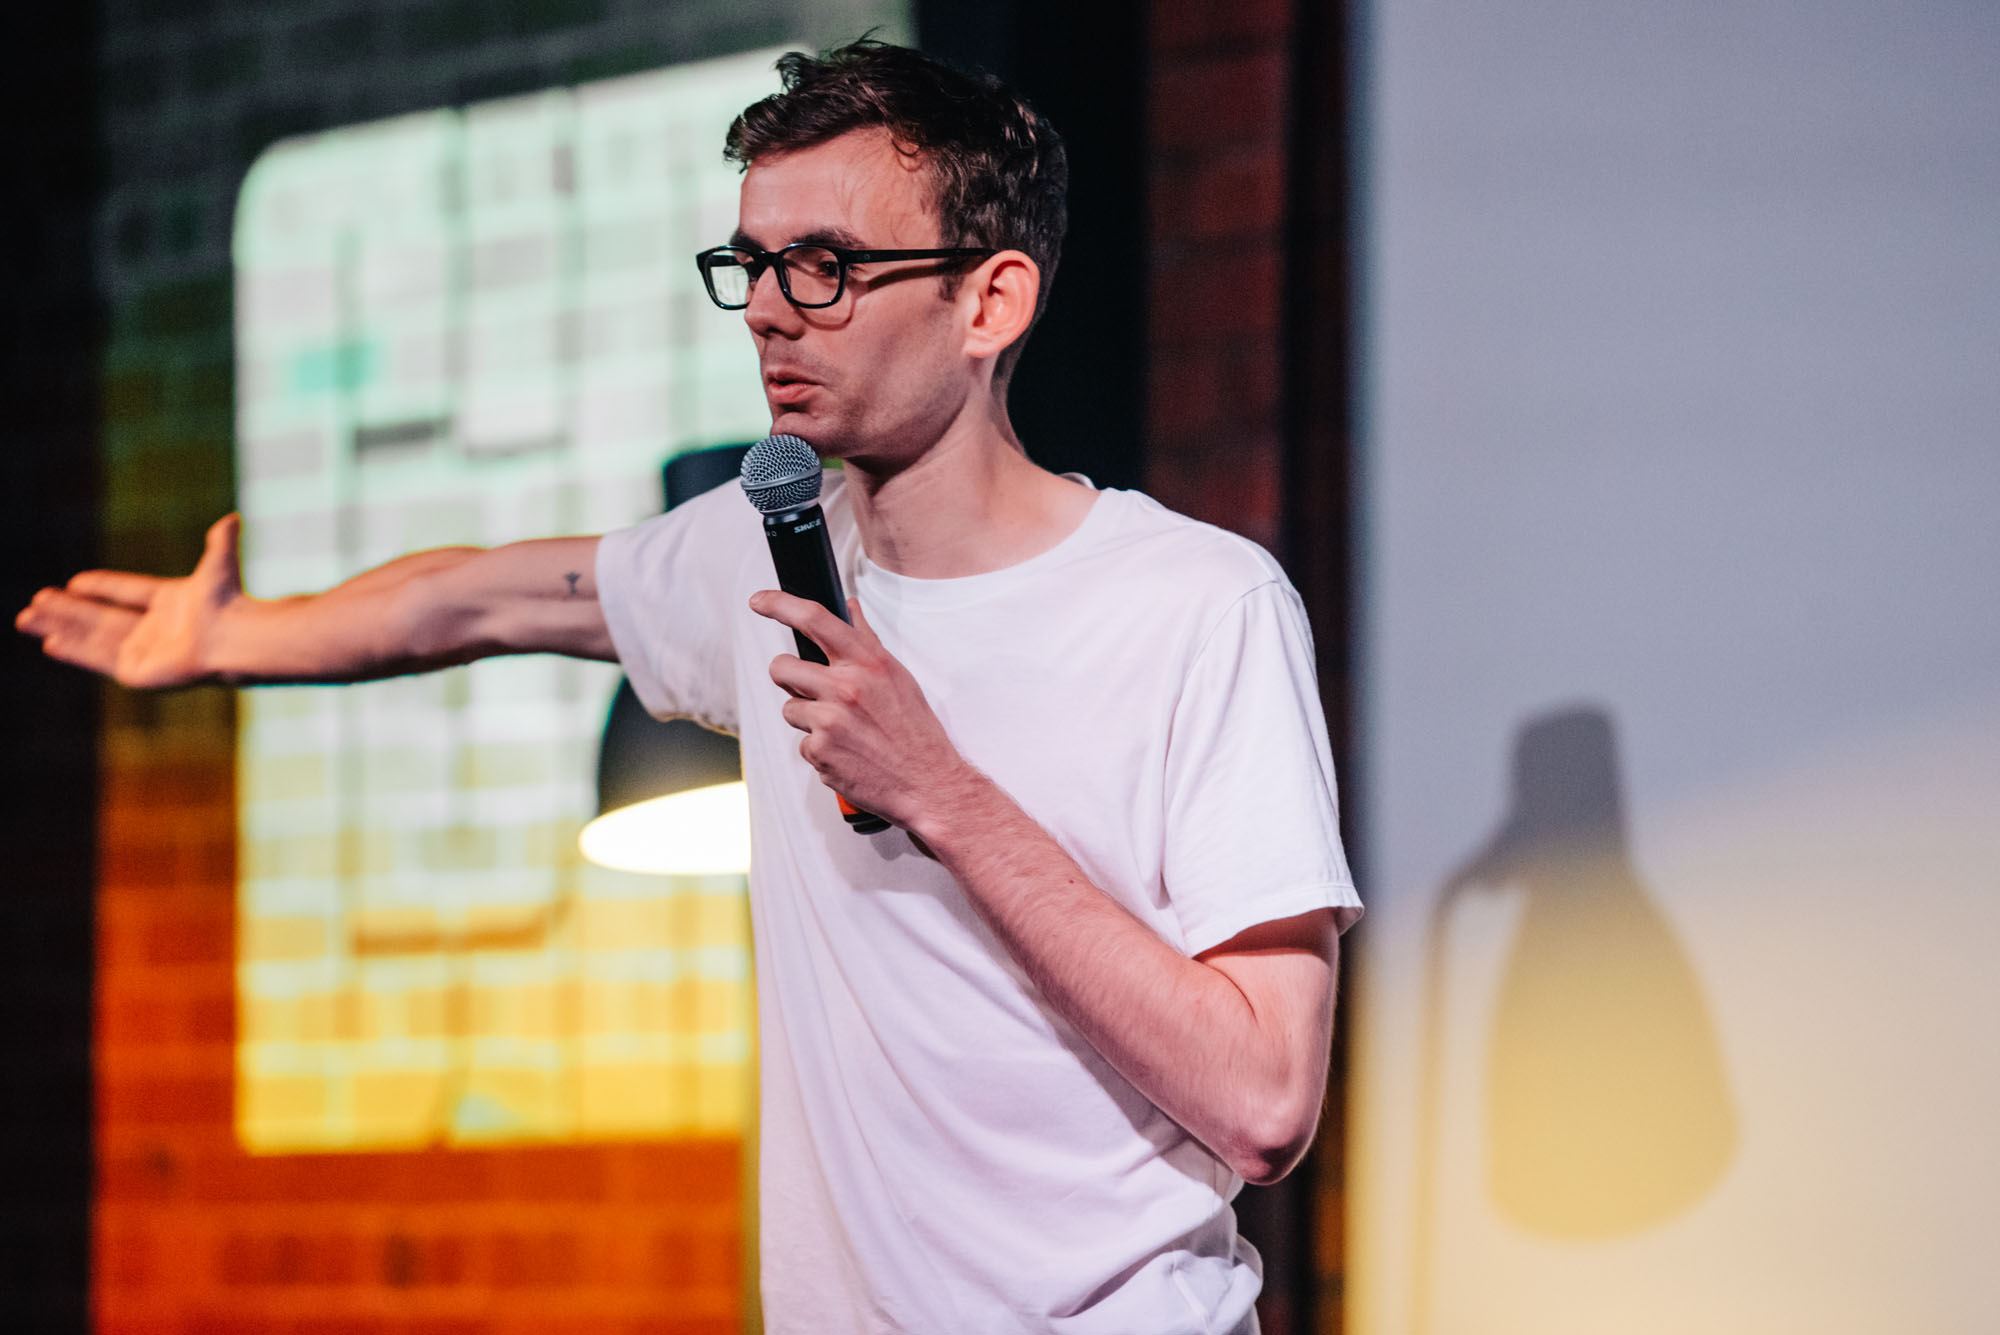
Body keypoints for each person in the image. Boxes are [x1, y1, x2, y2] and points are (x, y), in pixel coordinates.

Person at [19, 41, 1360, 1335]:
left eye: (827, 267)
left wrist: (941, 791)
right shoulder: (763, 549)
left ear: (989, 302)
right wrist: (238, 636)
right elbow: (483, 597)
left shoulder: (1196, 606)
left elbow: (1262, 1102)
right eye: (753, 265)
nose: (770, 309)